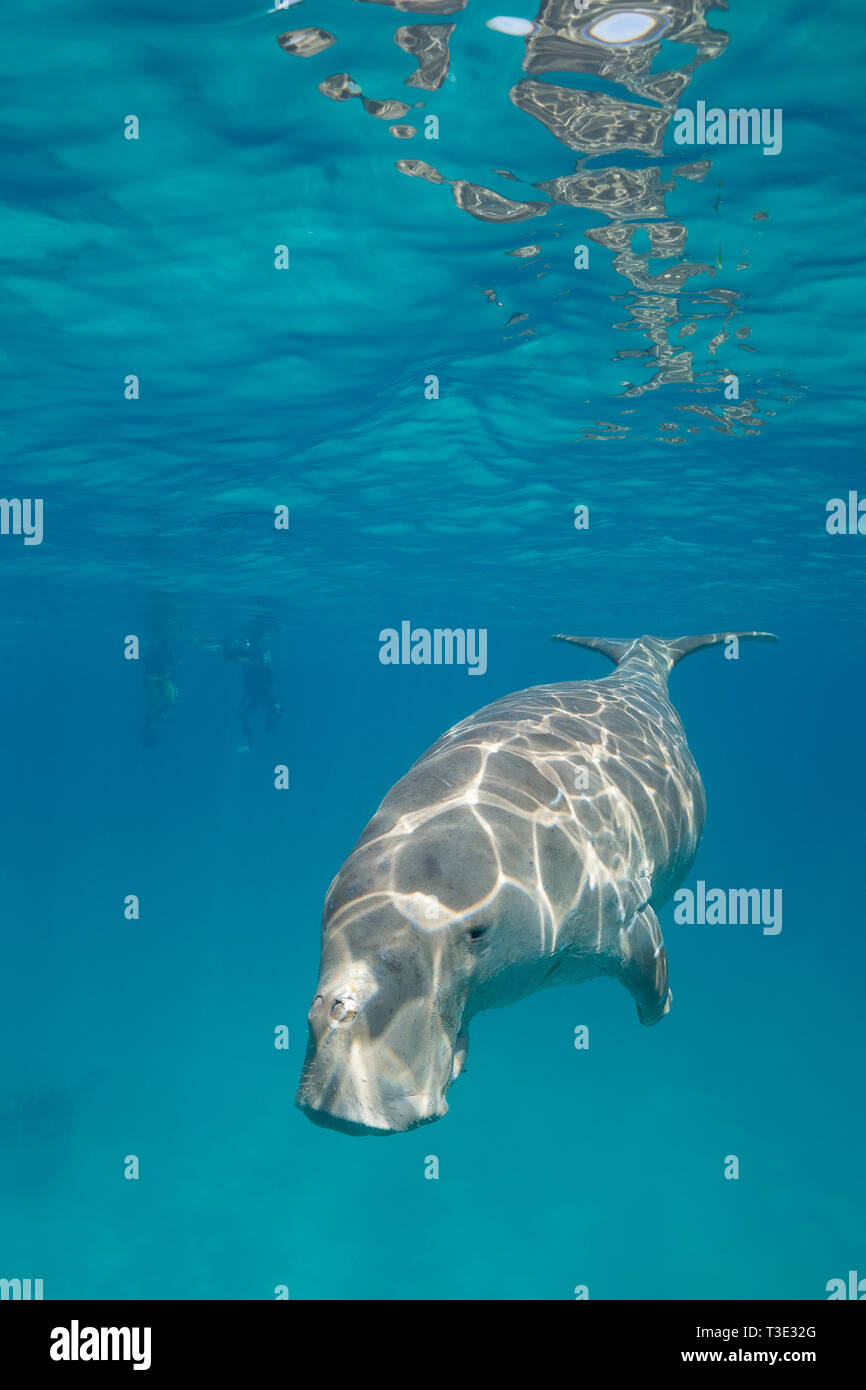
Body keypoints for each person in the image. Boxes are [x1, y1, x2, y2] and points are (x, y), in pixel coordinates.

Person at [223, 636, 282, 751]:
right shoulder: (252, 661)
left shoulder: (258, 663)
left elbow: (271, 686)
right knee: (243, 716)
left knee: (275, 711)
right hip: (257, 695)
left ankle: (263, 737)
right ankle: (254, 741)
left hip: (260, 695)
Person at [141, 639, 180, 747]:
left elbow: (169, 659)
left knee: (167, 703)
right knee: (166, 703)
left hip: (160, 677)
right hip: (154, 677)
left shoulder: (162, 648)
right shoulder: (151, 648)